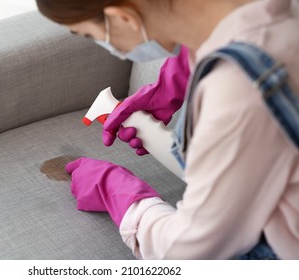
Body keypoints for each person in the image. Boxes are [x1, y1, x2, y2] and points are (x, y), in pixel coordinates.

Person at [36, 0, 299, 259]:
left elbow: (189, 253)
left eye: (90, 35)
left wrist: (117, 193)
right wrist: (176, 77)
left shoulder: (238, 88)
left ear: (123, 17)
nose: (110, 48)